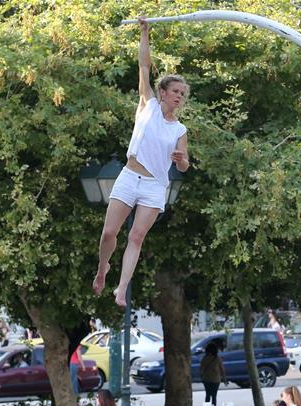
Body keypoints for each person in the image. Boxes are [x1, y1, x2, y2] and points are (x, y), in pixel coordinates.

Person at [92, 17, 190, 307]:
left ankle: (121, 289)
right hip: (129, 176)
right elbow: (144, 66)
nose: (179, 97)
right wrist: (145, 32)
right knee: (109, 233)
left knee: (136, 236)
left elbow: (184, 166)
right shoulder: (147, 104)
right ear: (163, 93)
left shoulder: (179, 130)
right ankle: (102, 269)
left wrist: (181, 160)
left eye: (183, 95)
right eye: (175, 92)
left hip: (154, 186)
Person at [200, 342, 226, 406]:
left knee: (208, 395)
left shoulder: (204, 358)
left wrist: (202, 376)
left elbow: (201, 369)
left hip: (206, 379)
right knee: (214, 396)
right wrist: (225, 379)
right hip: (216, 380)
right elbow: (222, 369)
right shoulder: (218, 358)